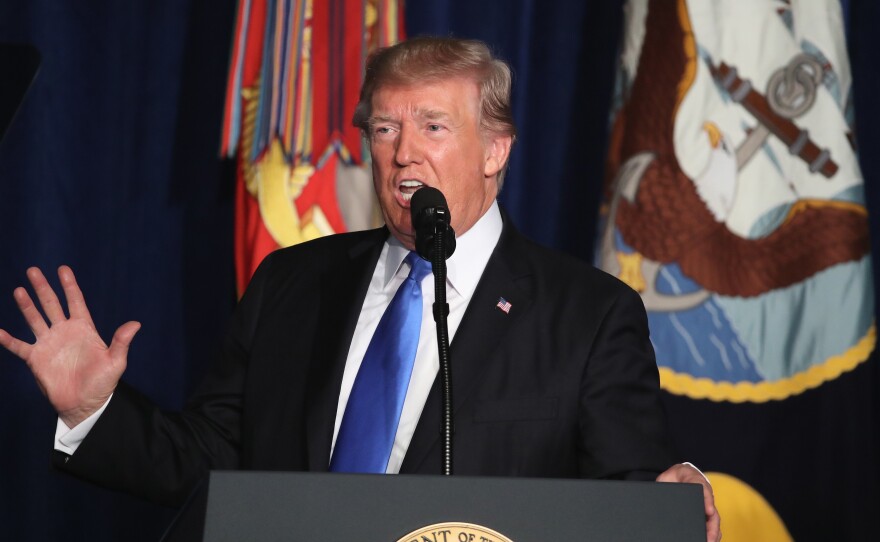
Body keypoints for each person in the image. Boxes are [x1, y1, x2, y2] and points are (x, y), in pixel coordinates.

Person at [0, 37, 720, 541]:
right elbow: (210, 461)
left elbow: (629, 500)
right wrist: (95, 411)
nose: (404, 154)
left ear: (496, 149)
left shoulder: (589, 316)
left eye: (433, 126)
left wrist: (673, 497)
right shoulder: (291, 283)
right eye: (384, 128)